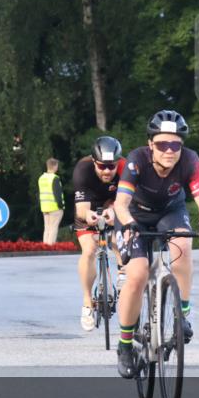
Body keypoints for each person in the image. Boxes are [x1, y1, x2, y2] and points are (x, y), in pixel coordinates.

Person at [113, 110, 199, 378]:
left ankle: (182, 314)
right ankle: (125, 346)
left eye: (176, 145)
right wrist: (127, 223)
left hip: (171, 211)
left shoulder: (190, 160)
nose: (169, 151)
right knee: (136, 274)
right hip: (134, 216)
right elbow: (120, 204)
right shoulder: (137, 160)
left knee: (183, 245)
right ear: (151, 144)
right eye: (162, 144)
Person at [73, 136, 126, 331]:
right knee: (89, 250)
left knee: (119, 239)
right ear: (94, 162)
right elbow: (81, 210)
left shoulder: (125, 168)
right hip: (89, 205)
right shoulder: (83, 169)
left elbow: (128, 201)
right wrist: (89, 216)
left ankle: (123, 273)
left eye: (111, 166)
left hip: (115, 203)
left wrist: (114, 210)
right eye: (102, 166)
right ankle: (87, 303)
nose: (107, 171)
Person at [38, 158, 64, 244]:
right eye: (57, 166)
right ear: (54, 166)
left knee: (47, 228)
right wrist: (61, 206)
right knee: (53, 227)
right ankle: (51, 246)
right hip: (55, 207)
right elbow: (57, 194)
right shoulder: (55, 178)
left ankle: (45, 246)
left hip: (45, 207)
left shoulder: (41, 178)